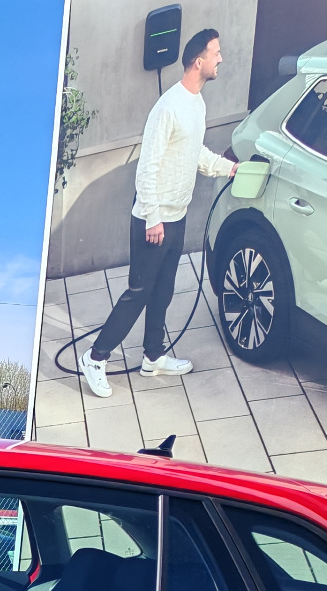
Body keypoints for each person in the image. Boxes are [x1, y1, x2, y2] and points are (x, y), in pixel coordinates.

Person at [79, 29, 239, 399]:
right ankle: (95, 357)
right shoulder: (168, 108)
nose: (220, 59)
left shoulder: (196, 104)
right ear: (198, 61)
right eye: (216, 53)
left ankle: (153, 357)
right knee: (139, 292)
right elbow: (147, 167)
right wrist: (152, 218)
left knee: (163, 290)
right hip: (154, 221)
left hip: (177, 215)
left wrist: (229, 168)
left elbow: (194, 153)